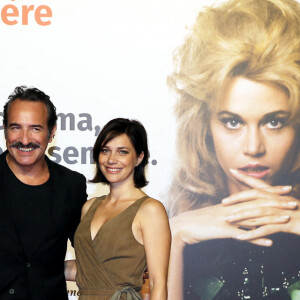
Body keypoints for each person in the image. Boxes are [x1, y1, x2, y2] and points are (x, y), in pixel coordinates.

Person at [167, 0, 300, 299]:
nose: (254, 147)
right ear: (205, 124)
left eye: (275, 122)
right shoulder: (177, 221)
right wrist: (174, 236)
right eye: (232, 122)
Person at [0, 86, 87, 299]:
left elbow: (89, 253)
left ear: (52, 131)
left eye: (35, 129)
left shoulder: (72, 185)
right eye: (15, 128)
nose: (25, 139)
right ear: (4, 129)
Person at [72, 118, 171, 300]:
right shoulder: (89, 207)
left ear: (139, 157)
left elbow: (158, 284)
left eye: (122, 152)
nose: (111, 160)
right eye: (105, 151)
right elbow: (88, 268)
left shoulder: (150, 210)